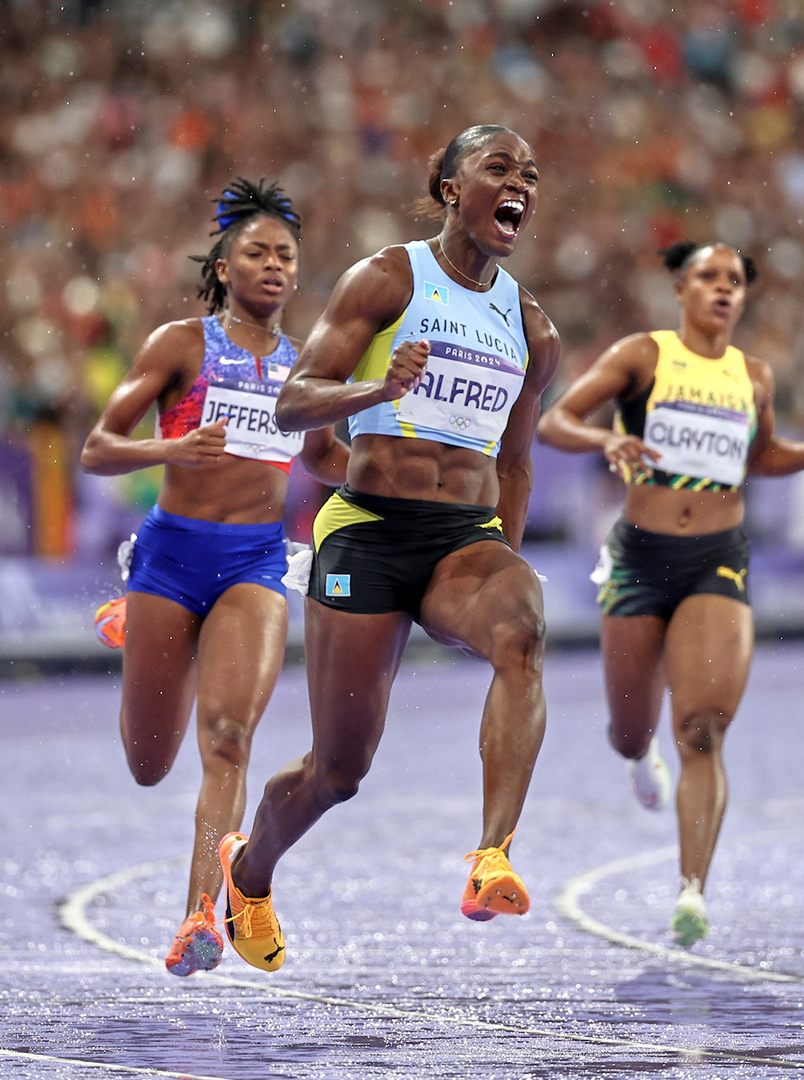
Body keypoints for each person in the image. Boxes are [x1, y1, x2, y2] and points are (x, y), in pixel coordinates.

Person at [216, 125, 562, 972]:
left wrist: (499, 567)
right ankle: (248, 872)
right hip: (367, 531)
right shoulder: (390, 278)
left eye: (529, 174)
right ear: (450, 188)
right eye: (497, 168)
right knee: (339, 771)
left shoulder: (533, 329)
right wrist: (381, 386)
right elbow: (295, 404)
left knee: (521, 635)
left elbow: (514, 464)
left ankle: (491, 858)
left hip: (462, 545)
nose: (519, 183)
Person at [536, 241, 804, 947]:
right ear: (680, 288)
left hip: (717, 559)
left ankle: (691, 891)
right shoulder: (642, 357)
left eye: (735, 281)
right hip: (639, 560)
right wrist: (606, 444)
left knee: (703, 729)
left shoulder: (755, 377)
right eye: (709, 277)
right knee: (630, 731)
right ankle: (634, 759)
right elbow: (554, 422)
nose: (723, 289)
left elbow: (761, 456)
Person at [79, 179, 347, 976]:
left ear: (297, 276)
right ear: (225, 266)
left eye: (285, 256)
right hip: (170, 558)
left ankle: (200, 914)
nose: (272, 265)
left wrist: (399, 471)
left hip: (255, 563)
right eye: (257, 251)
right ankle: (137, 619)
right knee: (148, 763)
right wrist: (170, 450)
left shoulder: (306, 370)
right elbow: (97, 447)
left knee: (229, 739)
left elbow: (327, 459)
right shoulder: (181, 345)